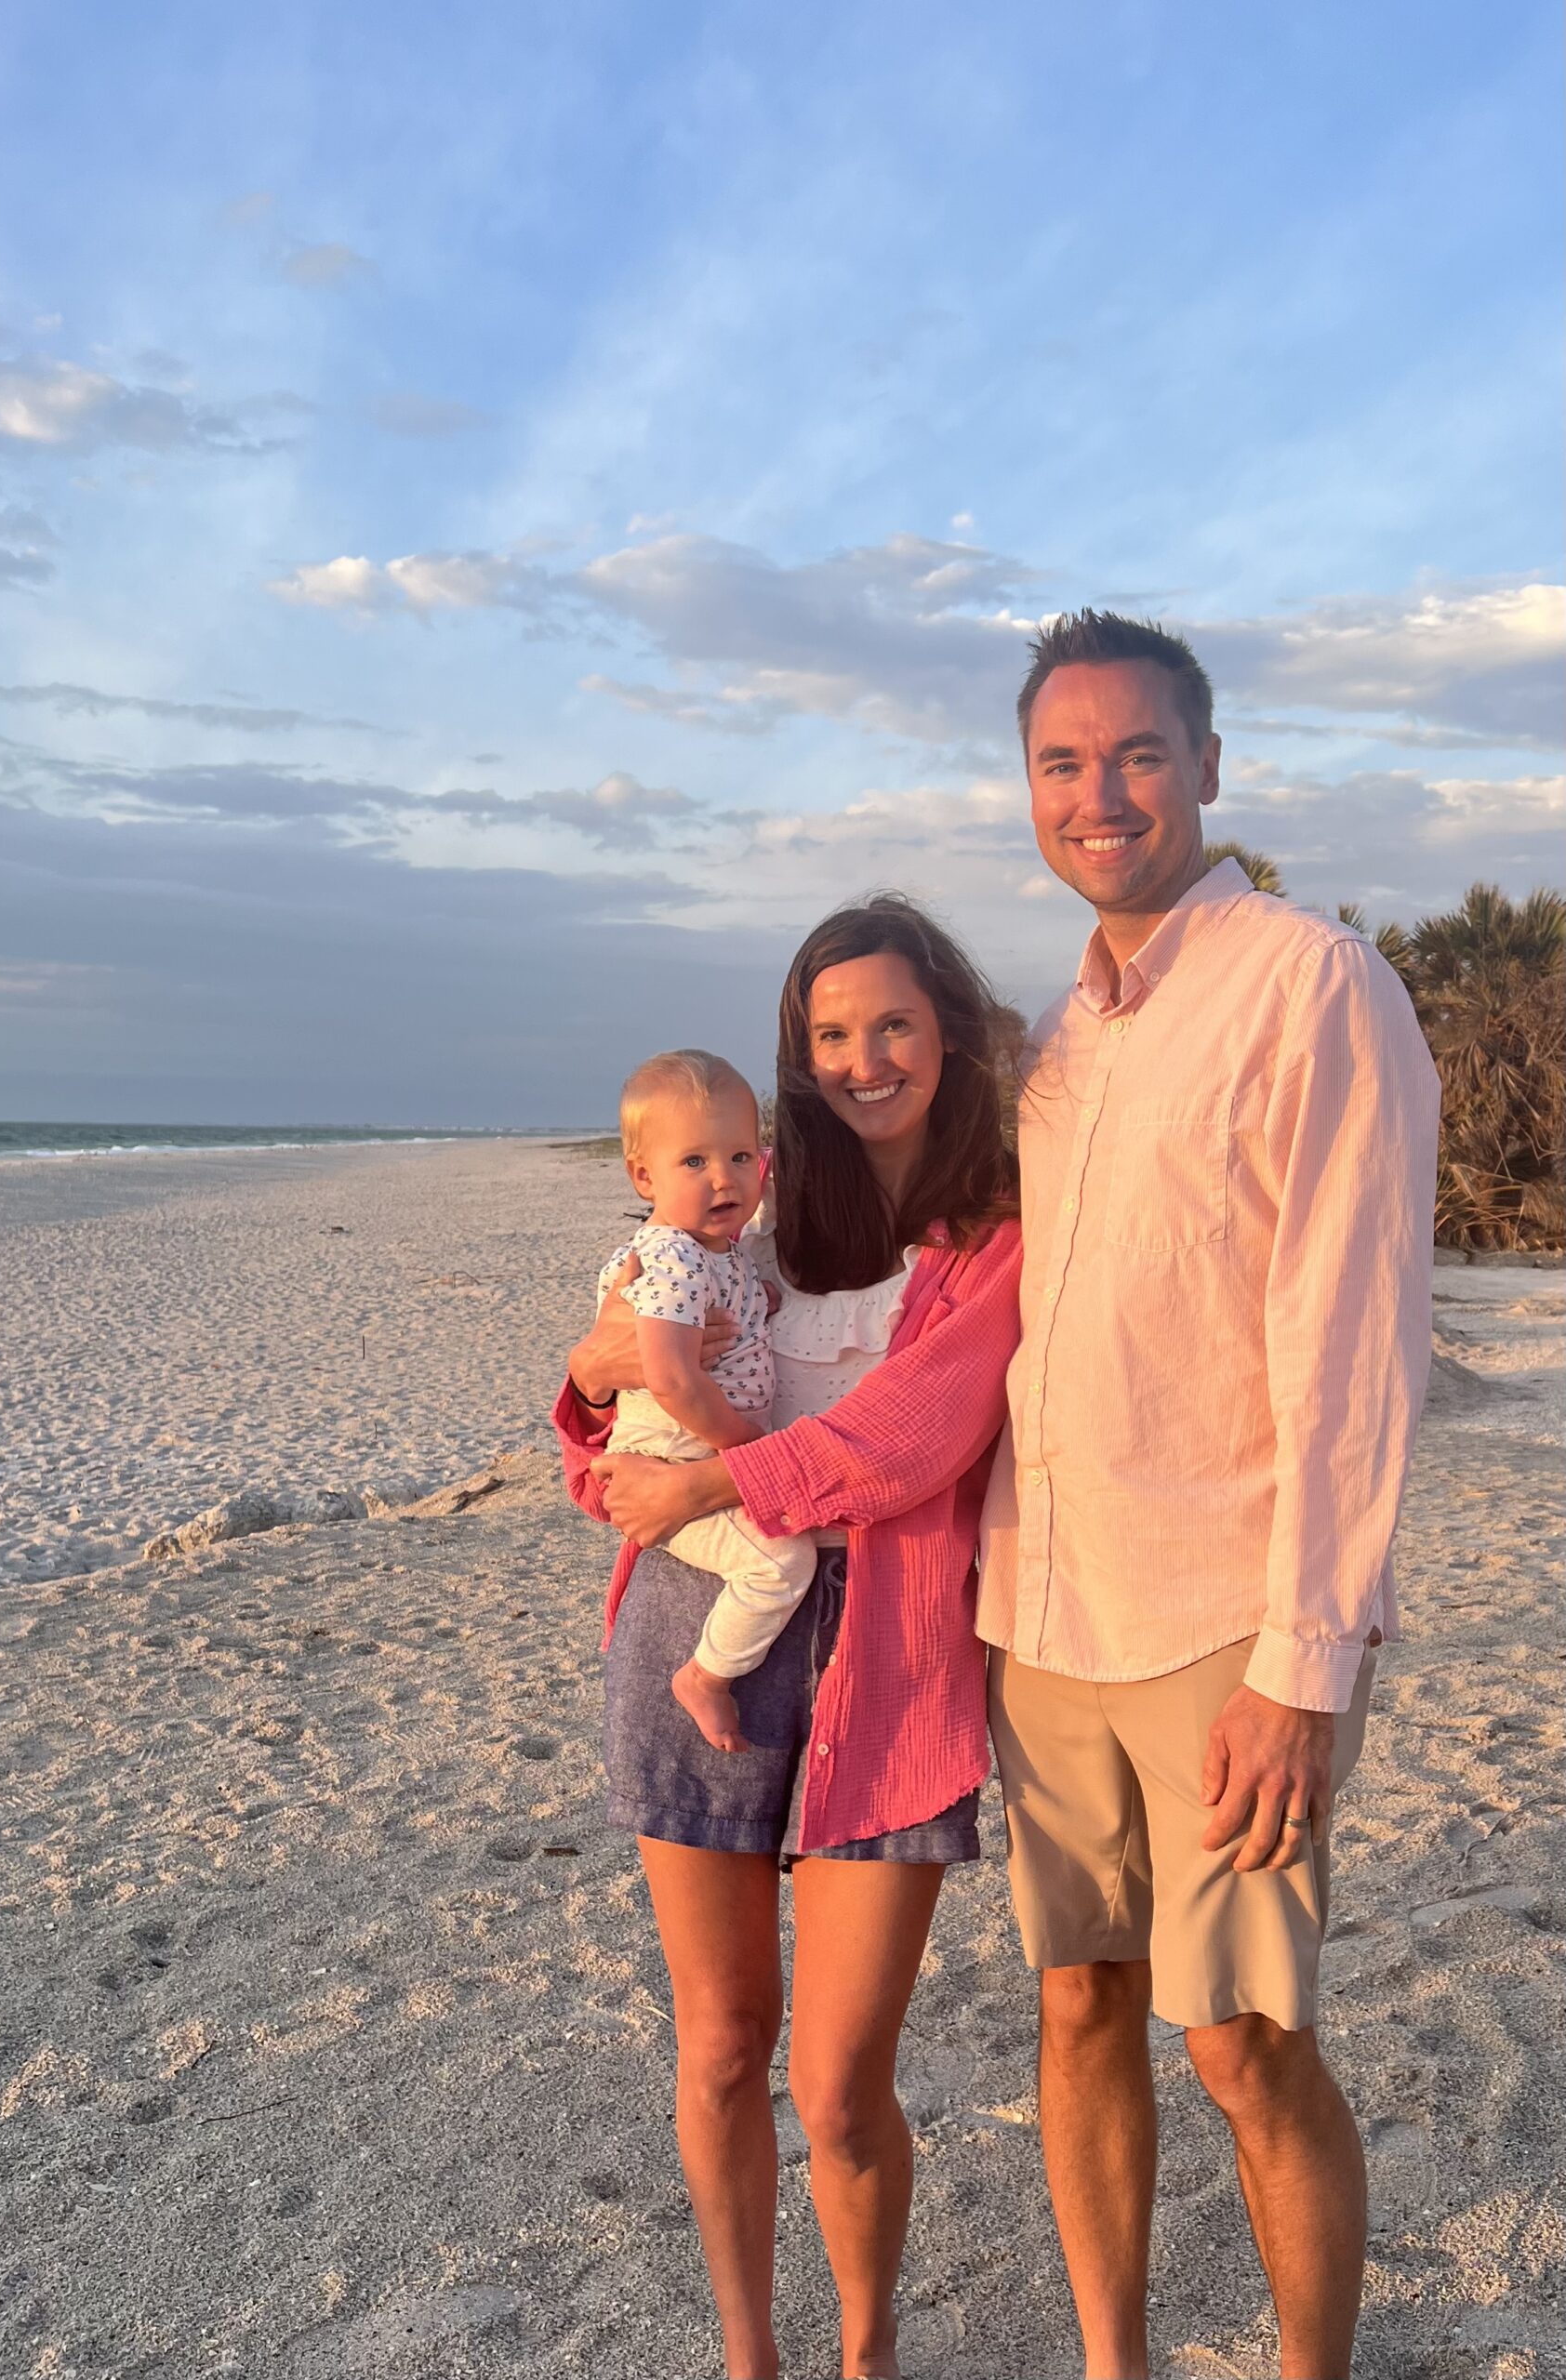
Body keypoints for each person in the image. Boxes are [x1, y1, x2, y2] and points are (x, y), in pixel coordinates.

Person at [977, 610, 1440, 2380]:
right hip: (1040, 1604)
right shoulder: (1052, 1036)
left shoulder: (1307, 981)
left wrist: (1301, 1662)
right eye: (1061, 763)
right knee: (1076, 1999)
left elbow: (1349, 1339)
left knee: (1242, 2039)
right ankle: (1117, 2363)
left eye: (1136, 753)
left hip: (1221, 1616)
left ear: (1209, 768)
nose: (1099, 795)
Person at [553, 894, 1024, 2380]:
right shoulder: (745, 1223)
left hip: (888, 1661)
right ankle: (753, 2358)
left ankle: (866, 2353)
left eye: (894, 1023)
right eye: (832, 1033)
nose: (867, 1057)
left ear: (948, 1029)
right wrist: (588, 1401)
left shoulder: (996, 1234)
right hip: (698, 1627)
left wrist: (709, 1476)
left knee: (835, 2081)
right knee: (720, 2039)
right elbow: (614, 1422)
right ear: (798, 1056)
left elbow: (913, 1440)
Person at [598, 1046, 816, 1754]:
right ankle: (705, 1676)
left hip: (691, 1449)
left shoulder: (716, 1253)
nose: (723, 1178)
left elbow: (732, 1313)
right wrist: (746, 1449)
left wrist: (762, 1301)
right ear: (643, 1175)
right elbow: (670, 1378)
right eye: (693, 1162)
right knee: (781, 1564)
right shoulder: (671, 1258)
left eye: (740, 1158)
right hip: (671, 1456)